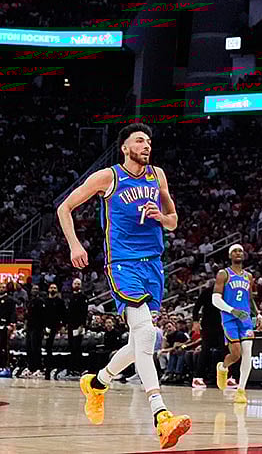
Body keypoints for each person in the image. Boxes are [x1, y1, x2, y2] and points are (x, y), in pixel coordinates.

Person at [57, 123, 191, 448]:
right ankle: (161, 414)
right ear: (125, 147)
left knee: (139, 342)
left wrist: (161, 216)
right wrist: (75, 245)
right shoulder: (109, 177)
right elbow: (64, 207)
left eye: (148, 140)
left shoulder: (157, 175)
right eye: (140, 140)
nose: (146, 145)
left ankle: (98, 382)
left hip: (153, 265)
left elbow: (174, 221)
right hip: (123, 264)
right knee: (147, 334)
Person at [213, 245, 261, 404]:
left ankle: (241, 390)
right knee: (236, 354)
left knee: (248, 352)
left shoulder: (248, 276)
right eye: (235, 251)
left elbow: (250, 299)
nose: (238, 253)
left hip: (245, 318)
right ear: (230, 255)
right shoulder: (223, 274)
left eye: (240, 251)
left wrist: (258, 313)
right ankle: (223, 367)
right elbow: (215, 299)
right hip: (229, 318)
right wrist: (232, 310)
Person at [191, 278, 224, 389]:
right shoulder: (206, 292)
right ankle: (197, 377)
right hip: (208, 325)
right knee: (205, 350)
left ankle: (225, 377)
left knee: (225, 350)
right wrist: (195, 321)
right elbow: (196, 308)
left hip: (222, 325)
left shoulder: (225, 293)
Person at [65, 278, 88, 379]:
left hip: (79, 326)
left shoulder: (83, 297)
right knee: (71, 347)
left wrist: (82, 325)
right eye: (75, 283)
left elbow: (84, 312)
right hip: (70, 326)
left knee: (77, 348)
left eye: (79, 283)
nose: (77, 285)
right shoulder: (70, 297)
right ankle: (72, 369)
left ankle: (79, 369)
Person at [42, 283, 65, 379]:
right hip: (45, 328)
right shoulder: (45, 301)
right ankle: (45, 368)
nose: (53, 289)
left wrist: (62, 326)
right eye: (51, 287)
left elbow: (63, 314)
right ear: (48, 289)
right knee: (46, 349)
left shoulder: (60, 302)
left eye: (54, 288)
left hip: (56, 328)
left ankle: (52, 368)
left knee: (53, 348)